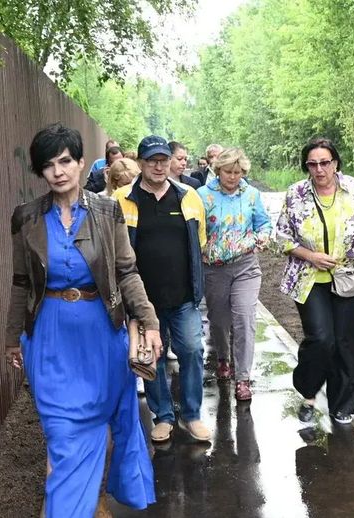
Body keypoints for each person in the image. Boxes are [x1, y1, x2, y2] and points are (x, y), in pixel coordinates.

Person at [5, 124, 160, 517]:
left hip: (100, 337)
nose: (58, 171)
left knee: (94, 427)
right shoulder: (26, 218)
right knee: (63, 434)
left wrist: (149, 321)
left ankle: (89, 500)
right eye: (48, 165)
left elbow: (127, 272)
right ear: (40, 172)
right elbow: (21, 283)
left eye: (65, 161)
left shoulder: (108, 211)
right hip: (50, 338)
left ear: (78, 163)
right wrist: (12, 339)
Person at [276, 138, 354, 425]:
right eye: (313, 164)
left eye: (325, 162)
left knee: (346, 342)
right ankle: (308, 391)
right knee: (322, 339)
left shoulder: (353, 189)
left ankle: (342, 405)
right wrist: (311, 256)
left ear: (335, 163)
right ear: (306, 166)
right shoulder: (296, 193)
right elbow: (283, 238)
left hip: (348, 276)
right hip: (309, 278)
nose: (320, 169)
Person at [113, 134, 211, 443]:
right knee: (150, 357)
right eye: (152, 161)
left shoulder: (188, 196)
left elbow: (201, 240)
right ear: (140, 164)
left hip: (182, 297)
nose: (159, 166)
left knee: (192, 350)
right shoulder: (122, 200)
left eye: (163, 160)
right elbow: (114, 248)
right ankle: (164, 416)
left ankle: (192, 414)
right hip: (144, 302)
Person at [196, 148, 271, 401]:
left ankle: (243, 378)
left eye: (238, 173)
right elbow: (194, 229)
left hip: (246, 267)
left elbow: (263, 223)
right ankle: (223, 357)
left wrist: (262, 237)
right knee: (218, 320)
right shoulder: (203, 196)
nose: (232, 177)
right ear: (218, 171)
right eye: (228, 172)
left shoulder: (251, 195)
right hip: (214, 269)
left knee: (245, 318)